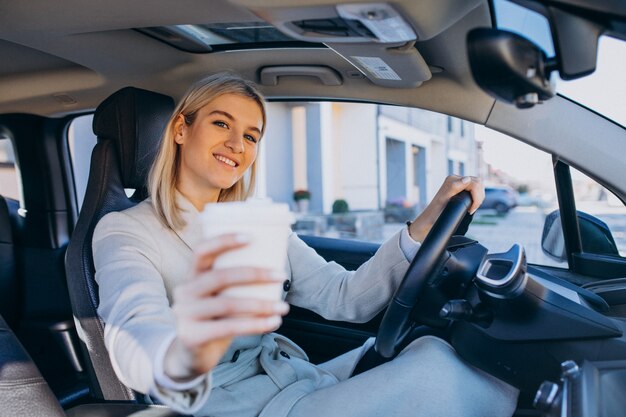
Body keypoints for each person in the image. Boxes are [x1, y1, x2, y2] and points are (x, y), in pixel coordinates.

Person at [93, 72, 518, 417]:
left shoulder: (257, 224)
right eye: (221, 123)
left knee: (441, 354)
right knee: (440, 381)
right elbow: (135, 336)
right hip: (226, 407)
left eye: (252, 136)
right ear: (182, 129)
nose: (236, 145)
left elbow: (346, 297)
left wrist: (425, 223)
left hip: (293, 379)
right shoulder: (125, 231)